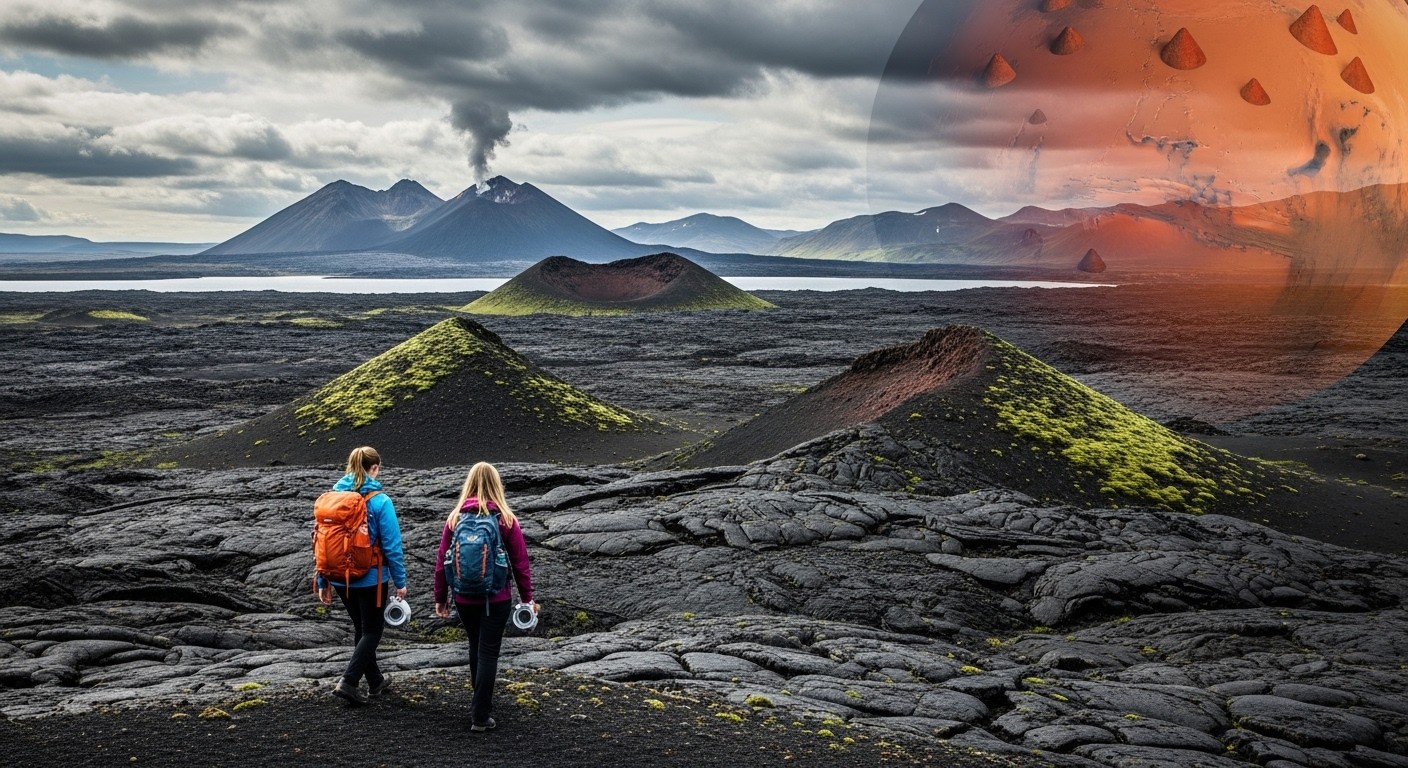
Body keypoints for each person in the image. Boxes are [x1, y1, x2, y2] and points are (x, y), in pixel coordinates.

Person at [434, 461, 535, 733]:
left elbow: (442, 561)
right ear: (497, 485)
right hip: (497, 598)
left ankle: (480, 701)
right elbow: (520, 563)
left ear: (469, 484)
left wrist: (440, 598)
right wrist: (528, 599)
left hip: (464, 598)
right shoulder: (505, 518)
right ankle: (480, 713)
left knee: (475, 646)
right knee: (489, 651)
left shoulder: (455, 518)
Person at [318, 445, 407, 706]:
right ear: (374, 468)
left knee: (362, 628)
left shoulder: (333, 497)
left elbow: (321, 542)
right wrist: (400, 582)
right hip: (371, 577)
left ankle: (376, 681)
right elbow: (392, 545)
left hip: (338, 577)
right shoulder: (380, 501)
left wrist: (323, 580)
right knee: (372, 631)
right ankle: (349, 681)